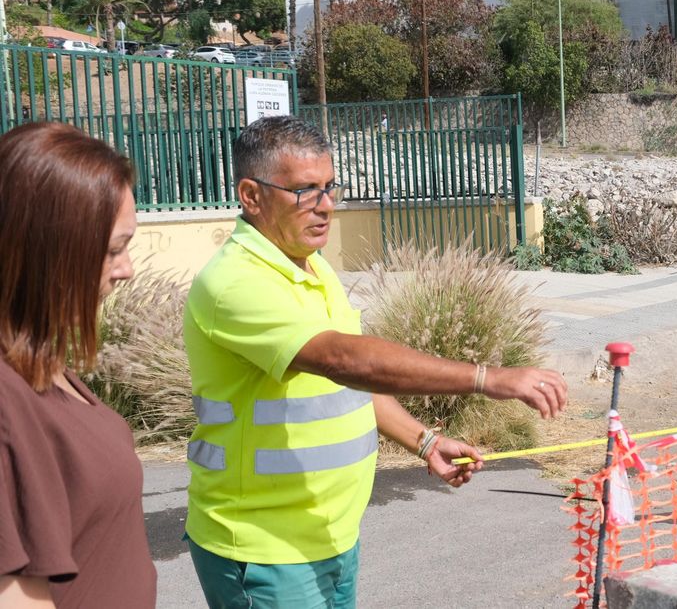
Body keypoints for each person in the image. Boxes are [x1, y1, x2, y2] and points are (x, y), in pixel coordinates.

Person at [182, 115, 568, 608]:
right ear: (252, 196)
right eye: (304, 191)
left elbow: (347, 388)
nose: (325, 206)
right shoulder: (235, 282)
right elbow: (345, 360)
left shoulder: (310, 265)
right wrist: (485, 378)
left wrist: (423, 440)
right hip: (264, 551)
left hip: (331, 537)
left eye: (329, 187)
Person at [0, 123, 156, 607]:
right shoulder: (7, 399)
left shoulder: (41, 365)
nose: (127, 268)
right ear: (48, 250)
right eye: (113, 249)